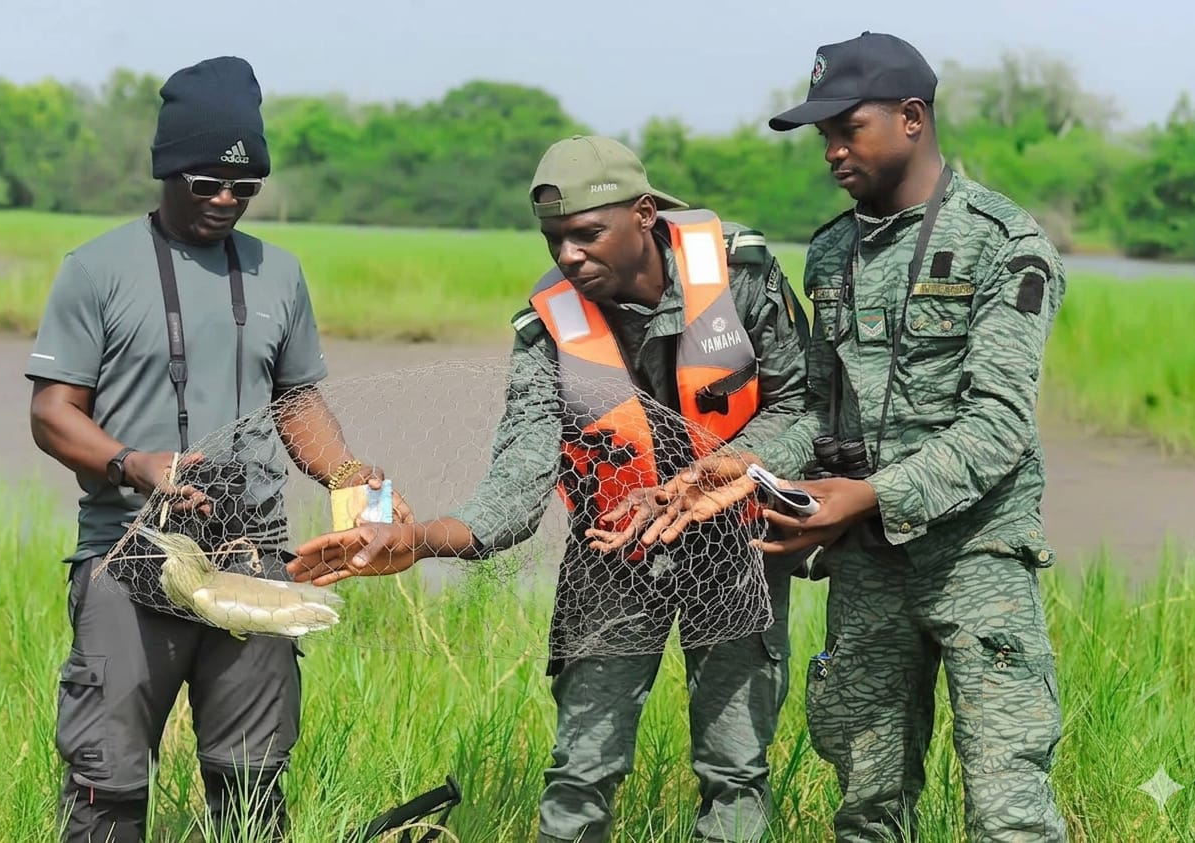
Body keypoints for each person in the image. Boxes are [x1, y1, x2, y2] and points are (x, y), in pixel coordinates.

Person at [286, 134, 819, 842]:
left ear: (646, 215)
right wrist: (415, 539)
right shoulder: (549, 327)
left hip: (736, 544)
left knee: (735, 767)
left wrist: (739, 465)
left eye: (587, 234)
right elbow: (517, 482)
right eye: (554, 239)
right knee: (580, 772)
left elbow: (805, 404)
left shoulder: (738, 274)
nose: (569, 255)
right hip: (614, 551)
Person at [642, 31, 1069, 843]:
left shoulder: (1003, 244)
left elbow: (999, 424)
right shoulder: (833, 251)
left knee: (1008, 809)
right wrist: (737, 465)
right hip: (868, 561)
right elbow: (817, 413)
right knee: (868, 807)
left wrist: (873, 492)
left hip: (977, 557)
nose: (833, 150)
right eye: (823, 136)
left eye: (850, 128)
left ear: (912, 118)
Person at [27, 56, 398, 842]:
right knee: (108, 776)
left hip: (252, 555)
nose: (227, 200)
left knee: (253, 777)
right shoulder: (95, 269)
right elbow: (53, 412)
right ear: (167, 171)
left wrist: (345, 472)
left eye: (244, 188)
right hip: (130, 552)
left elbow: (298, 399)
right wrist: (135, 462)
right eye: (208, 184)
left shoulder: (278, 273)